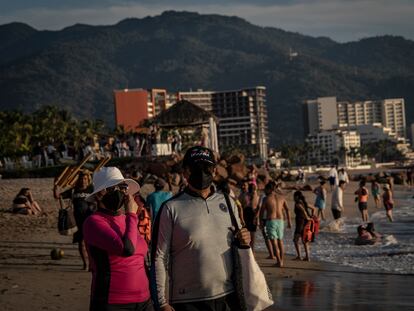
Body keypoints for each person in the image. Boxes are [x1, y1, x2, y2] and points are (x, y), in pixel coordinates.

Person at [151, 146, 250, 311]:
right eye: (196, 168)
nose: (202, 172)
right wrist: (161, 303)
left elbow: (240, 242)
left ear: (214, 171)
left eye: (207, 168)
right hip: (188, 302)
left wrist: (245, 239)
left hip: (228, 297)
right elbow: (158, 257)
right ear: (185, 172)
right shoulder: (170, 208)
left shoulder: (227, 202)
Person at [83, 167, 153, 311]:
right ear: (98, 195)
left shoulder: (126, 219)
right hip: (113, 301)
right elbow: (127, 249)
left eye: (121, 187)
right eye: (110, 188)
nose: (118, 192)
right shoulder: (94, 222)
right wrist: (131, 215)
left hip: (144, 300)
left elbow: (141, 258)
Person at [54, 171, 94, 270]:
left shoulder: (92, 189)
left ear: (88, 180)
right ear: (78, 179)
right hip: (77, 220)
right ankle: (85, 264)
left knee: (91, 243)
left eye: (85, 179)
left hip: (90, 219)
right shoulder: (73, 191)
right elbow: (58, 196)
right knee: (81, 242)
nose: (83, 181)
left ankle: (92, 264)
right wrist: (55, 186)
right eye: (81, 178)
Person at [260, 181, 291, 267]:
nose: (264, 191)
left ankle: (279, 262)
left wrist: (260, 222)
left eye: (265, 189)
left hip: (271, 221)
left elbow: (261, 211)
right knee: (280, 241)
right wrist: (289, 222)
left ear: (269, 189)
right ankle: (282, 261)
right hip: (281, 221)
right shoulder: (282, 197)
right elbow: (287, 209)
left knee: (274, 242)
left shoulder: (266, 198)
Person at [293, 191, 315, 261]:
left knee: (295, 240)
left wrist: (307, 217)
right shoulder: (305, 203)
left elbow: (303, 211)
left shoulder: (298, 203)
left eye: (294, 196)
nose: (293, 198)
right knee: (305, 240)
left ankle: (299, 256)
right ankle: (307, 257)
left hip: (300, 223)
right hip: (306, 223)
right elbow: (314, 208)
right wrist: (311, 216)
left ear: (297, 196)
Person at [238, 179, 259, 250]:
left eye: (245, 185)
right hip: (245, 214)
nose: (243, 186)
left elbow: (256, 206)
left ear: (248, 186)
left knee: (252, 235)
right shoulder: (241, 195)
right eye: (242, 185)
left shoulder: (253, 194)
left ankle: (252, 251)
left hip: (252, 214)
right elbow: (239, 207)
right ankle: (248, 249)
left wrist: (256, 217)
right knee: (246, 234)